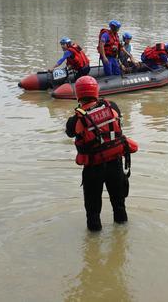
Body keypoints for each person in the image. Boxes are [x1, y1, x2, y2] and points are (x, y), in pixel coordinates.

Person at [65, 76, 138, 232]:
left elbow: (70, 133)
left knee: (93, 212)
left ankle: (93, 247)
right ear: (96, 91)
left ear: (78, 94)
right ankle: (121, 239)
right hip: (115, 164)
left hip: (93, 168)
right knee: (119, 206)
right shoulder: (112, 107)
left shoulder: (75, 120)